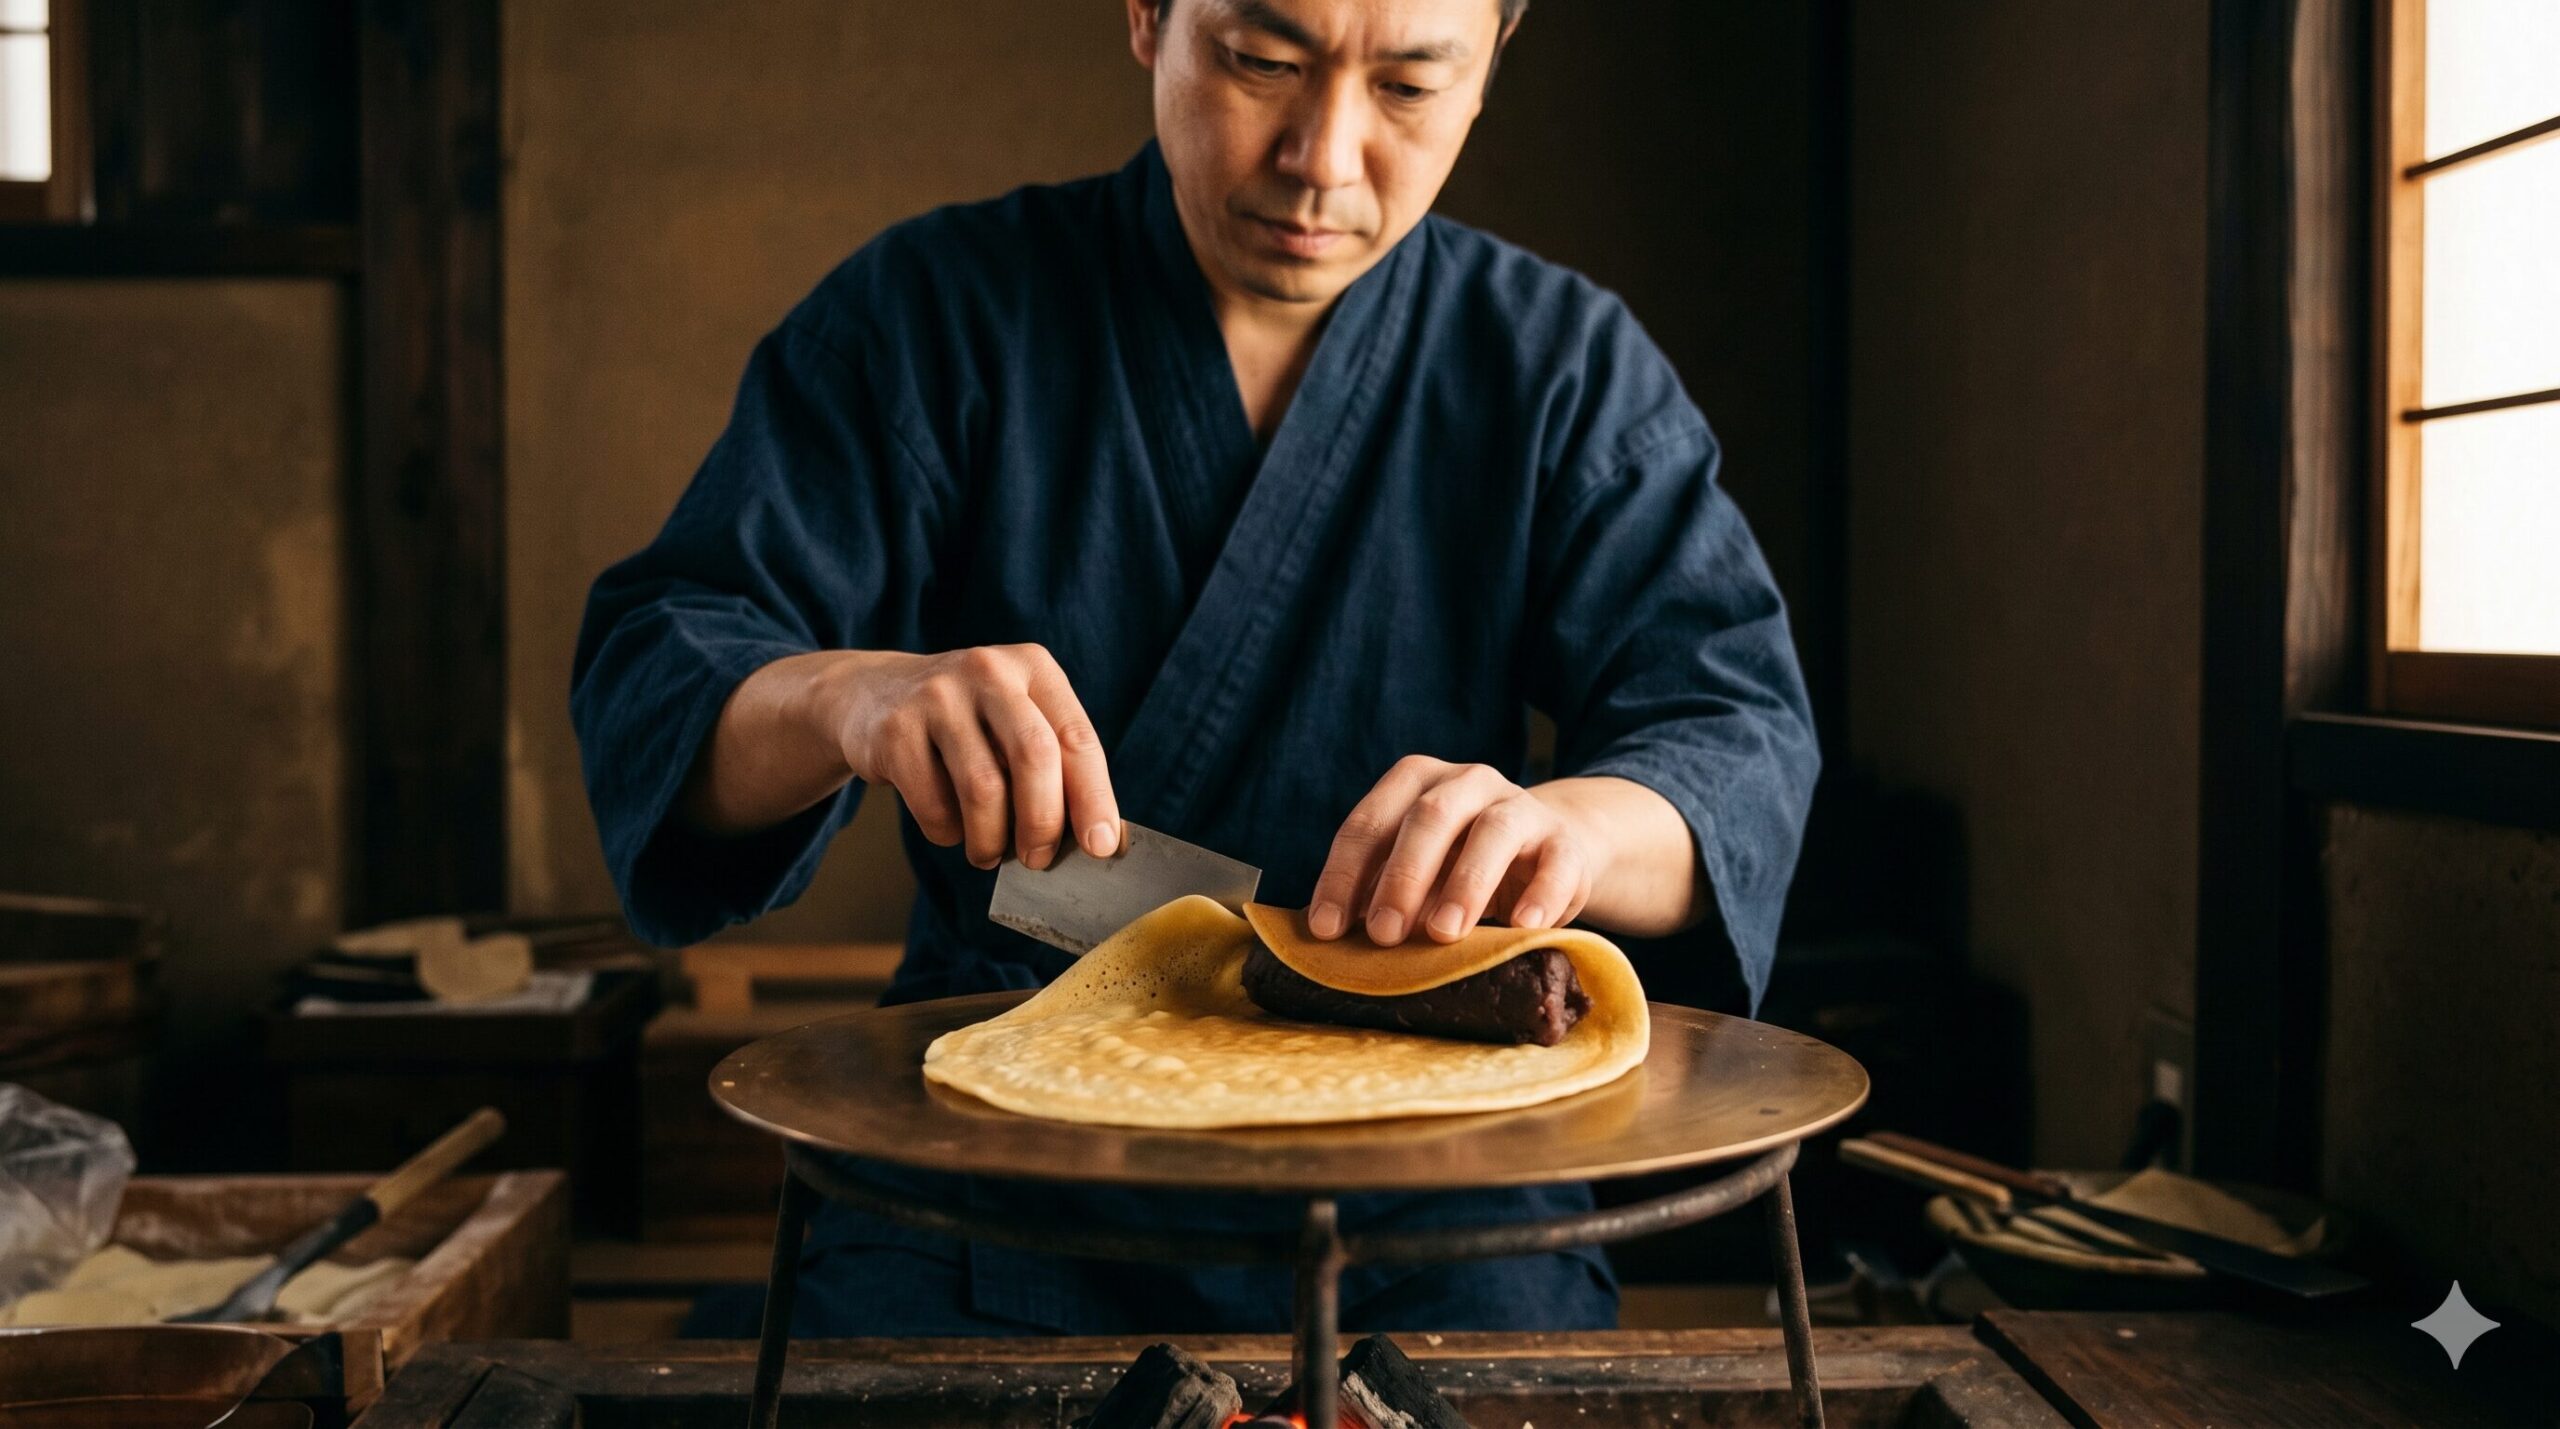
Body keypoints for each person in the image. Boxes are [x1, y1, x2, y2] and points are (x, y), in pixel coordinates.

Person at [573, 0, 1817, 1337]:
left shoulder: (1557, 364)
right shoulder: (933, 316)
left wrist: (1569, 830)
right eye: (1261, 63)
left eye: (1407, 86)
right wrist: (847, 698)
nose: (1323, 158)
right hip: (994, 1159)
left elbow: (1732, 737)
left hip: (1443, 1190)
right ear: (1147, 17)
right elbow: (665, 673)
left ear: (1489, 70)